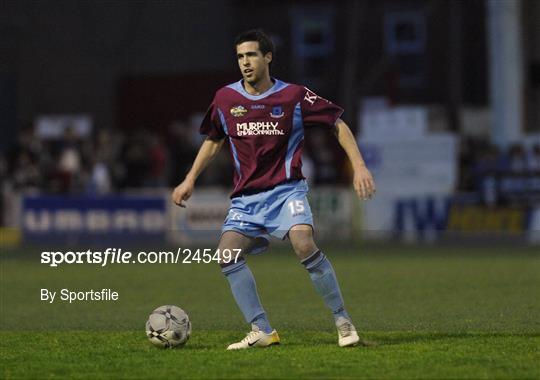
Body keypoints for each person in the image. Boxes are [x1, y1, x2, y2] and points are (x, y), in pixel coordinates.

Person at [172, 29, 376, 350]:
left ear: (268, 57)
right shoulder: (225, 99)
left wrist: (360, 166)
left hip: (286, 192)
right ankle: (262, 330)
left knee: (303, 243)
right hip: (246, 200)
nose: (245, 63)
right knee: (226, 255)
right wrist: (189, 179)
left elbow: (337, 124)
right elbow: (214, 139)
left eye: (251, 55)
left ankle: (342, 320)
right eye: (240, 57)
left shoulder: (294, 96)